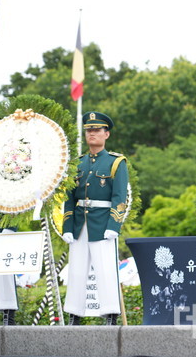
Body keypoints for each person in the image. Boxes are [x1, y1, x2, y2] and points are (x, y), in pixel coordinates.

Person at [62, 112, 129, 325]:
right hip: (80, 223)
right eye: (89, 130)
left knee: (106, 270)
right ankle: (75, 313)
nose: (92, 133)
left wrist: (114, 225)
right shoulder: (77, 163)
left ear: (106, 134)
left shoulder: (116, 162)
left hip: (102, 222)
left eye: (97, 130)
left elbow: (119, 197)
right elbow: (69, 198)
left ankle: (110, 313)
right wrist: (67, 227)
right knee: (77, 270)